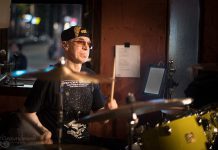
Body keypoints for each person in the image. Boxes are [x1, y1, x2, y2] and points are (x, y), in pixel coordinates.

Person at [19, 26, 118, 146]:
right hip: (57, 144)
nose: (86, 47)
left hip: (83, 143)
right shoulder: (49, 77)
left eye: (88, 44)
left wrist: (108, 111)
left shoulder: (90, 76)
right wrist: (43, 130)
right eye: (80, 42)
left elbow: (103, 120)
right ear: (65, 45)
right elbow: (27, 112)